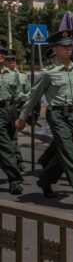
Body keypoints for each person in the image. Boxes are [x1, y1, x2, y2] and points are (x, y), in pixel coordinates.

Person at [16, 30, 73, 212]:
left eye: (70, 45)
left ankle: (45, 179)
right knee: (71, 158)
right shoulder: (47, 73)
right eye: (64, 46)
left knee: (63, 155)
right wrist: (22, 117)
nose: (69, 48)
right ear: (55, 49)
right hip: (58, 117)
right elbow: (33, 98)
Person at [0, 43, 26, 194]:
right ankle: (15, 180)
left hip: (11, 110)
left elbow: (19, 95)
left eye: (2, 53)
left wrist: (31, 98)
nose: (1, 55)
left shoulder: (12, 74)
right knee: (7, 148)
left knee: (10, 143)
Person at [4, 48, 29, 172]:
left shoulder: (22, 76)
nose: (11, 62)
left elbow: (27, 93)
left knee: (13, 137)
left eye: (13, 59)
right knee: (7, 138)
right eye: (9, 60)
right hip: (5, 107)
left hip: (17, 109)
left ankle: (17, 162)